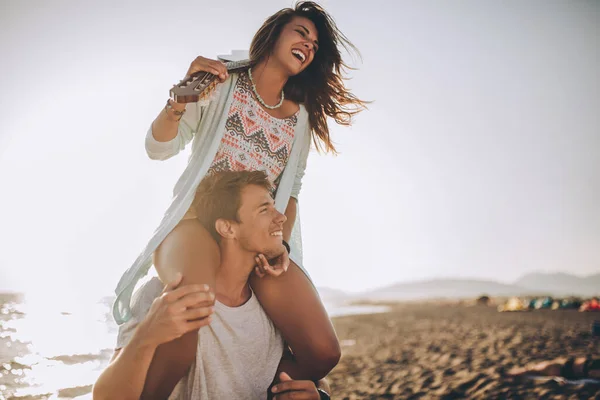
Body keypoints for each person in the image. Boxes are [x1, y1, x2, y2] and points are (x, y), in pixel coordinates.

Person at [112, 0, 367, 395]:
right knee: (187, 327)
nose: (309, 45)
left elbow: (291, 190)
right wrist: (177, 102)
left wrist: (278, 245)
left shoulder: (299, 118)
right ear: (274, 33)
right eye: (302, 32)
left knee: (322, 352)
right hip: (195, 224)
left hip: (254, 235)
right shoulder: (221, 80)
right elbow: (159, 147)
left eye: (315, 44)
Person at [94, 171, 332, 399]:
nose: (281, 217)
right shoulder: (165, 294)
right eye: (264, 209)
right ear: (227, 228)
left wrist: (318, 396)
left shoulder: (269, 308)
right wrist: (147, 335)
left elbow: (307, 381)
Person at [506, 356, 600, 381]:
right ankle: (512, 374)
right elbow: (592, 373)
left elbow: (592, 373)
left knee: (534, 370)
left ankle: (513, 373)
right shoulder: (595, 365)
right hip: (563, 367)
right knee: (534, 370)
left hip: (565, 367)